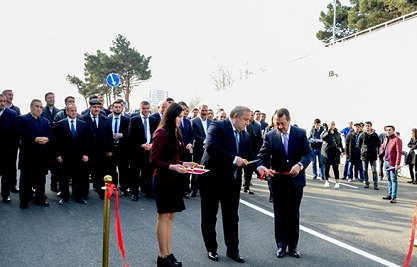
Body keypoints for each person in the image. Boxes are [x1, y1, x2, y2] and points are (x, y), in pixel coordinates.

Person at [199, 105, 254, 263]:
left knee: (231, 217)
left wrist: (260, 167)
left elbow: (250, 155)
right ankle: (211, 249)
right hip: (212, 180)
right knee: (210, 216)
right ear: (235, 117)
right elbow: (211, 147)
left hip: (232, 181)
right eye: (245, 119)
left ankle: (233, 250)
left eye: (248, 120)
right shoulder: (217, 126)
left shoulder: (245, 135)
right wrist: (234, 159)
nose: (247, 123)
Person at [257, 108, 312, 259]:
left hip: (295, 182)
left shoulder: (300, 133)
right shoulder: (269, 135)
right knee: (280, 214)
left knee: (293, 215)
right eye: (276, 124)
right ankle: (281, 245)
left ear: (289, 120)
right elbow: (262, 156)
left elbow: (309, 154)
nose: (279, 127)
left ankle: (293, 246)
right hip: (278, 182)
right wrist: (263, 168)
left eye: (282, 124)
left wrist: (300, 165)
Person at [149, 103, 197, 267]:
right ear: (171, 116)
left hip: (173, 180)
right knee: (163, 217)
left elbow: (173, 158)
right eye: (179, 117)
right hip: (163, 180)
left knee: (170, 217)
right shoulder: (161, 133)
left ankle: (168, 253)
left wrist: (186, 163)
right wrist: (173, 167)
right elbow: (153, 160)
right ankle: (162, 257)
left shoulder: (175, 132)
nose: (181, 120)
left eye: (182, 117)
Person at [16, 99, 52, 209]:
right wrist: (34, 139)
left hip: (42, 156)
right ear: (31, 107)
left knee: (41, 179)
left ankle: (39, 199)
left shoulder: (45, 121)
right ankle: (24, 201)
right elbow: (20, 133)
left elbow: (50, 134)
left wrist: (47, 139)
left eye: (41, 107)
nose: (39, 109)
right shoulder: (22, 119)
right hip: (28, 155)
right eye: (37, 106)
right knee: (26, 180)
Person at [53, 104, 90, 204]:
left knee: (78, 178)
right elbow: (56, 141)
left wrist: (86, 154)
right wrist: (58, 155)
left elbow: (86, 140)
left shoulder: (82, 124)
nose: (74, 112)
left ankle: (78, 196)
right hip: (65, 156)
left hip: (78, 156)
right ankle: (64, 197)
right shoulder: (60, 124)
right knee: (64, 178)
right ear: (67, 112)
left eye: (75, 110)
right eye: (72, 111)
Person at [80, 99, 113, 199]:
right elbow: (81, 136)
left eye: (98, 107)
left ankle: (101, 192)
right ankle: (84, 193)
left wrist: (109, 149)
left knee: (100, 173)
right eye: (94, 107)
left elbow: (109, 135)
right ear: (90, 108)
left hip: (101, 151)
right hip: (88, 151)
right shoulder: (82, 119)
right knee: (85, 174)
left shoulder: (105, 119)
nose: (96, 109)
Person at [128, 101, 159, 200]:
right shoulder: (134, 120)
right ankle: (135, 192)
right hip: (138, 150)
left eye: (147, 108)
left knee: (148, 172)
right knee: (135, 172)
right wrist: (141, 145)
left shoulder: (154, 120)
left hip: (150, 150)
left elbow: (157, 134)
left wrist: (152, 145)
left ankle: (148, 191)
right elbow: (131, 135)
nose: (145, 110)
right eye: (143, 109)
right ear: (140, 109)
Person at [0, 94, 19, 203]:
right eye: (0, 101)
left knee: (6, 174)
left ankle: (6, 194)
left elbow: (15, 132)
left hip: (7, 149)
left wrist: (14, 147)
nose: (2, 103)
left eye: (4, 101)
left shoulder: (12, 114)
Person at [190, 104, 211, 197]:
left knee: (207, 169)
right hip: (198, 148)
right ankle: (194, 189)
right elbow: (194, 134)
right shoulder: (193, 122)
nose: (204, 112)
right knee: (196, 169)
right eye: (202, 110)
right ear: (199, 111)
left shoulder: (211, 122)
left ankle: (205, 188)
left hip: (208, 149)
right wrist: (204, 141)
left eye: (206, 111)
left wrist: (208, 143)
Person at [41, 92, 61, 192]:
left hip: (55, 143)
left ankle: (54, 185)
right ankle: (40, 188)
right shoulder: (42, 111)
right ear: (46, 99)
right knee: (43, 167)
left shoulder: (59, 111)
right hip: (44, 143)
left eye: (53, 97)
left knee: (55, 167)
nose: (51, 99)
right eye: (49, 98)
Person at [379, 125, 403, 203]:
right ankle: (389, 194)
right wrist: (380, 155)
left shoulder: (397, 140)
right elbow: (383, 148)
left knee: (394, 179)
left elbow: (399, 152)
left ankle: (394, 196)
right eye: (386, 130)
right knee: (389, 179)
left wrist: (397, 164)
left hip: (392, 162)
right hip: (386, 161)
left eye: (389, 130)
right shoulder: (386, 139)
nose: (388, 131)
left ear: (393, 131)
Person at [358, 121, 381, 190]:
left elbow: (378, 143)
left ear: (371, 126)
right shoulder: (362, 134)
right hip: (364, 155)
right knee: (365, 170)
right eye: (366, 126)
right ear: (364, 127)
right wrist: (363, 150)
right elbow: (359, 144)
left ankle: (375, 184)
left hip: (373, 155)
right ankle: (366, 183)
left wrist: (373, 148)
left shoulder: (374, 134)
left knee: (374, 170)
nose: (367, 127)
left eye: (368, 126)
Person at [321, 121, 343, 188]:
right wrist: (328, 131)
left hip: (335, 153)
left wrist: (342, 151)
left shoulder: (337, 133)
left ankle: (337, 182)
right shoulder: (325, 132)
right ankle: (326, 181)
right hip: (327, 152)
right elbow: (323, 137)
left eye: (333, 124)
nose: (332, 126)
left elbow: (340, 143)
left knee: (336, 168)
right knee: (326, 168)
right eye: (331, 124)